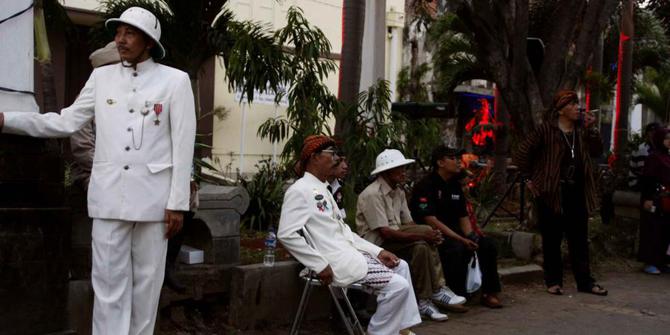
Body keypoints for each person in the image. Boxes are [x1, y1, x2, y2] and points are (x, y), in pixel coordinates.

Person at [0, 7, 196, 334]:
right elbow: (65, 121)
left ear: (148, 41)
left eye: (129, 33)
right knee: (107, 283)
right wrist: (8, 120)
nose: (120, 40)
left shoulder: (175, 81)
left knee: (147, 286)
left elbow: (183, 144)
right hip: (109, 198)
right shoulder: (101, 77)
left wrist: (177, 203)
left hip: (154, 201)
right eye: (117, 32)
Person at [278, 136, 421, 335]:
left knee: (400, 265)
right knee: (399, 286)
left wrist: (378, 251)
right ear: (314, 157)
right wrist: (318, 264)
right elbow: (286, 234)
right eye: (332, 154)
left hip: (348, 253)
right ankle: (380, 332)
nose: (336, 159)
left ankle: (400, 328)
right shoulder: (300, 190)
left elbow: (346, 232)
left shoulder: (324, 188)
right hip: (334, 261)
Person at [513, 90, 607, 296]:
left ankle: (585, 282)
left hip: (577, 191)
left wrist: (592, 129)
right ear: (561, 109)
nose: (577, 108)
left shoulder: (582, 131)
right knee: (552, 239)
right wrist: (529, 179)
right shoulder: (546, 131)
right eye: (573, 105)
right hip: (551, 192)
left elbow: (597, 151)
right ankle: (553, 281)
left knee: (579, 239)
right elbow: (521, 154)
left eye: (577, 104)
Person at [356, 149, 467, 321]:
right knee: (425, 236)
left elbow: (409, 224)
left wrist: (427, 236)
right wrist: (424, 235)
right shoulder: (372, 194)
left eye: (404, 168)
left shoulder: (398, 192)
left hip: (397, 239)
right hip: (377, 245)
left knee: (422, 246)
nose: (404, 172)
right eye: (399, 168)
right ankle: (437, 289)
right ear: (386, 171)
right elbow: (385, 233)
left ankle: (424, 300)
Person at [410, 145, 503, 308]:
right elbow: (430, 219)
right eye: (452, 158)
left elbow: (463, 216)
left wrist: (471, 235)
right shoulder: (425, 185)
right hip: (434, 235)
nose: (458, 162)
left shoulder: (454, 185)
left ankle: (489, 292)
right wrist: (460, 238)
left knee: (487, 245)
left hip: (458, 234)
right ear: (440, 163)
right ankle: (455, 295)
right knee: (455, 248)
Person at [638, 127, 670, 274]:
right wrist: (648, 198)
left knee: (664, 231)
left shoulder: (666, 156)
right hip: (654, 199)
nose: (669, 141)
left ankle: (661, 261)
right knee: (652, 230)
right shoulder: (654, 157)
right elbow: (647, 180)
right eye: (666, 138)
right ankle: (649, 262)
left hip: (666, 201)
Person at [629, 122, 661, 190]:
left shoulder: (658, 148)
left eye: (656, 132)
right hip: (637, 182)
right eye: (651, 132)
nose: (654, 134)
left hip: (647, 181)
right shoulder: (642, 149)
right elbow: (645, 172)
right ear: (647, 135)